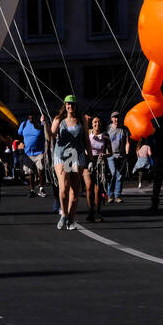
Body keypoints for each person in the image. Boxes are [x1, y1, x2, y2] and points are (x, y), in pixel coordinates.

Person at [51, 96, 89, 230]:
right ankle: (64, 214)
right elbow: (51, 135)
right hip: (63, 156)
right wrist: (43, 125)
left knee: (75, 192)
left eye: (72, 104)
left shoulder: (81, 120)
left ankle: (71, 220)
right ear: (65, 105)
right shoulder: (59, 120)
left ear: (76, 106)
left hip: (76, 155)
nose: (70, 106)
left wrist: (90, 156)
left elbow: (86, 139)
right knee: (64, 188)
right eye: (68, 104)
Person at [86, 114, 111, 222]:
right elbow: (83, 146)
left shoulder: (106, 136)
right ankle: (90, 211)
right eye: (95, 122)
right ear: (92, 124)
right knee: (89, 187)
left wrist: (105, 155)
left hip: (100, 162)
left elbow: (110, 152)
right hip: (88, 161)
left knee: (98, 189)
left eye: (99, 122)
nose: (97, 124)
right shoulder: (87, 134)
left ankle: (97, 212)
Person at [18, 113, 48, 198]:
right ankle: (32, 190)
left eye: (32, 116)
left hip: (39, 152)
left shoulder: (40, 124)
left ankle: (41, 188)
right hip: (28, 153)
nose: (30, 118)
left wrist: (44, 122)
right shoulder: (24, 124)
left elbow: (47, 134)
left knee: (41, 170)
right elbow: (19, 133)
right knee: (29, 172)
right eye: (29, 116)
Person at [107, 112, 128, 203]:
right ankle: (110, 195)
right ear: (112, 119)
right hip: (111, 155)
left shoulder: (124, 129)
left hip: (121, 156)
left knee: (119, 176)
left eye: (118, 118)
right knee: (113, 174)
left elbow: (127, 142)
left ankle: (117, 196)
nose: (116, 119)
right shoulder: (108, 128)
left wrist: (127, 152)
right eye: (115, 118)